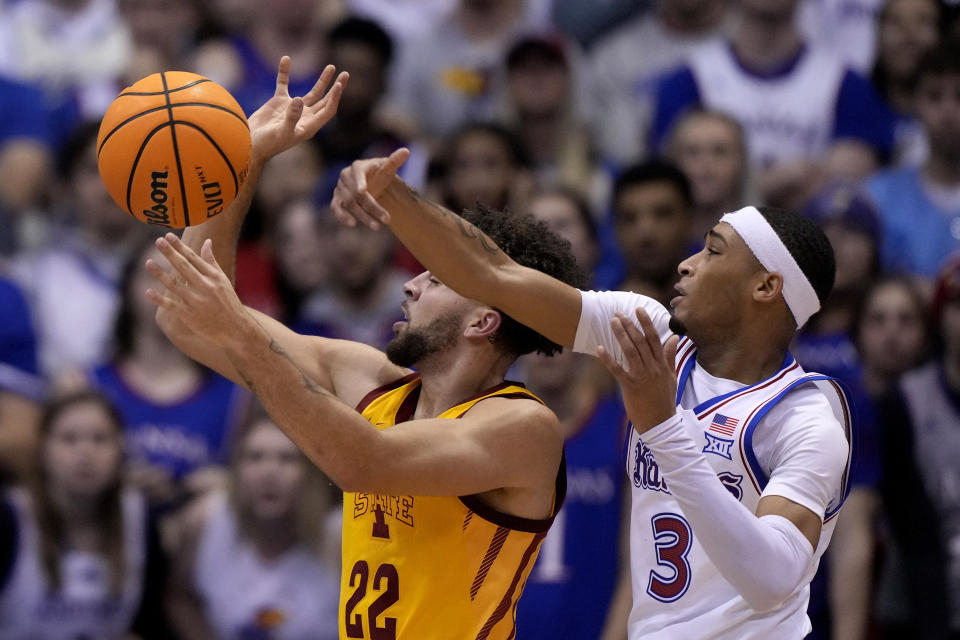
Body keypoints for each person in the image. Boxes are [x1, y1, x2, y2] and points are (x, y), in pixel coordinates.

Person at [331, 150, 852, 638]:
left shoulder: (805, 419)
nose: (687, 263)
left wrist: (663, 430)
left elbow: (772, 579)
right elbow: (494, 276)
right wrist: (393, 196)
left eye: (712, 251)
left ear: (765, 287)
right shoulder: (653, 335)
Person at [146, 57, 577, 638]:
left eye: (435, 279)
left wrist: (243, 332)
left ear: (483, 320)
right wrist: (244, 156)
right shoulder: (371, 381)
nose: (409, 283)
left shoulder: (522, 427)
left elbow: (365, 463)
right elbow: (193, 319)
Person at [87, 239, 249, 510]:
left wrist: (231, 485)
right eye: (153, 273)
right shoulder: (86, 384)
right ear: (127, 287)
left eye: (180, 276)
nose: (167, 284)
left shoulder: (236, 396)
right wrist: (113, 483)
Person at [0, 390, 169, 639]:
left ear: (120, 449)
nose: (85, 453)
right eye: (69, 439)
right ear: (43, 450)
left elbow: (149, 621)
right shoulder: (8, 518)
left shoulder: (140, 519)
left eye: (100, 439)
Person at [167, 403, 339, 640]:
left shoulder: (342, 536)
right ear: (236, 468)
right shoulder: (205, 519)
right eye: (255, 457)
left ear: (311, 471)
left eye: (287, 458)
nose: (269, 472)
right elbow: (181, 598)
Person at [866, 38, 960, 279]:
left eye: (959, 96)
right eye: (934, 96)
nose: (948, 112)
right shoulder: (879, 195)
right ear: (915, 104)